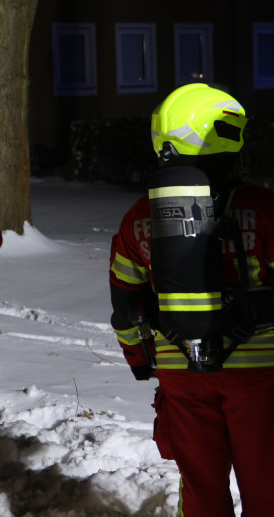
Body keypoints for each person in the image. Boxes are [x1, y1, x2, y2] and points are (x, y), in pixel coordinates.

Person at [109, 83, 274, 516]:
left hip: (181, 372)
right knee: (268, 489)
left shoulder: (139, 217)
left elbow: (125, 305)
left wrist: (141, 361)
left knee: (201, 491)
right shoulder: (263, 208)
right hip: (259, 377)